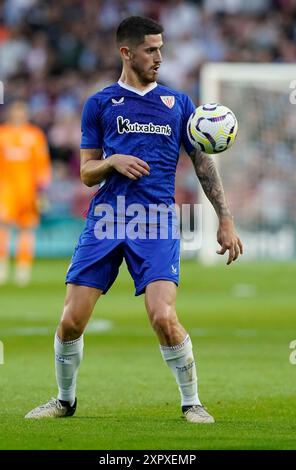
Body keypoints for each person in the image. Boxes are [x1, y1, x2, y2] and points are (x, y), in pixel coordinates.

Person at [25, 16, 243, 423]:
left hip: (156, 221)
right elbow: (86, 172)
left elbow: (202, 164)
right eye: (150, 50)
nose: (159, 57)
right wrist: (112, 161)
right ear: (126, 52)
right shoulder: (101, 103)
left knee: (163, 316)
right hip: (107, 219)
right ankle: (64, 400)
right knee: (71, 321)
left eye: (161, 48)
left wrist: (225, 219)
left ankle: (191, 401)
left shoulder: (178, 104)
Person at [0, 101, 51, 286]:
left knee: (27, 228)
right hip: (5, 189)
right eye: (15, 112)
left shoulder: (35, 135)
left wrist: (42, 191)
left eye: (21, 112)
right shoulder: (2, 133)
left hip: (29, 190)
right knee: (3, 226)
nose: (18, 115)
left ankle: (23, 269)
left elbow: (42, 164)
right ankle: (2, 267)